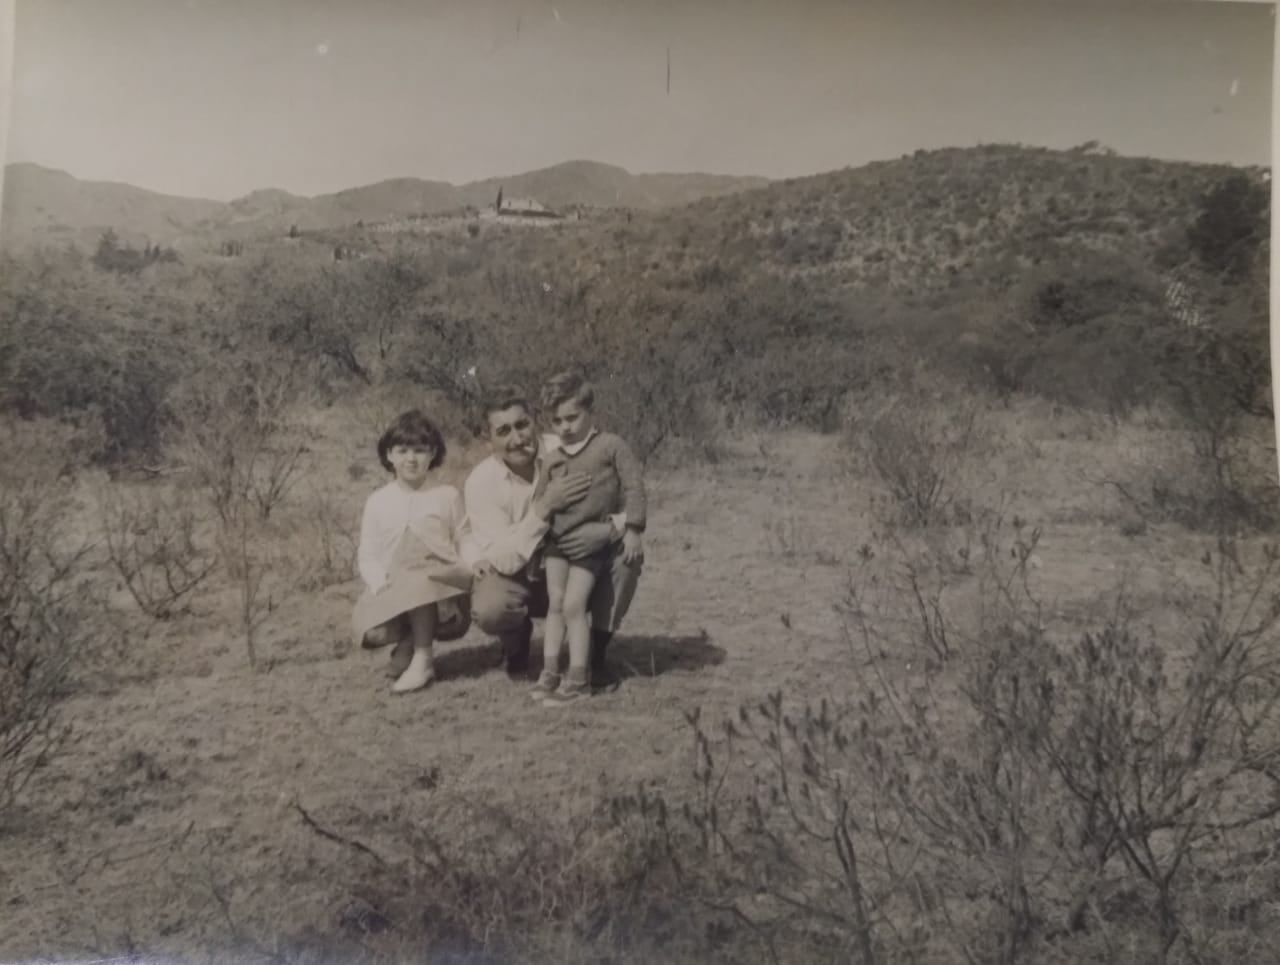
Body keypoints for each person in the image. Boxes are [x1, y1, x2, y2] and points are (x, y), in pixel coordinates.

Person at [461, 385, 643, 692]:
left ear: (536, 419)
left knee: (625, 560)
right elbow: (504, 559)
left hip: (579, 562)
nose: (517, 439)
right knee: (492, 605)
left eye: (522, 425)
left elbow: (623, 494)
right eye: (503, 431)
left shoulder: (570, 446)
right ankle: (516, 644)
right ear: (487, 437)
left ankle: (596, 655)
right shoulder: (481, 482)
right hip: (521, 573)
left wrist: (611, 529)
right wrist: (545, 507)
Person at [529, 371, 645, 705]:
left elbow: (634, 486)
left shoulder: (610, 446)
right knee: (554, 604)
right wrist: (539, 545)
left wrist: (633, 528)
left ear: (590, 411)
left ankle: (580, 677)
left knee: (573, 606)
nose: (565, 427)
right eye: (556, 421)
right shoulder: (552, 459)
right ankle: (550, 672)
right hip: (556, 544)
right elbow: (540, 504)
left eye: (572, 417)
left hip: (589, 543)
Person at [352, 410, 474, 694]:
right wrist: (379, 583)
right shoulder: (378, 501)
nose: (411, 458)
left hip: (441, 583)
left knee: (421, 581)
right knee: (372, 632)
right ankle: (410, 640)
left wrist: (472, 565)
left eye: (419, 450)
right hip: (393, 584)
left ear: (433, 453)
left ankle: (423, 661)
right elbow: (367, 552)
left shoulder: (446, 495)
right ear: (389, 455)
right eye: (402, 450)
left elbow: (464, 536)